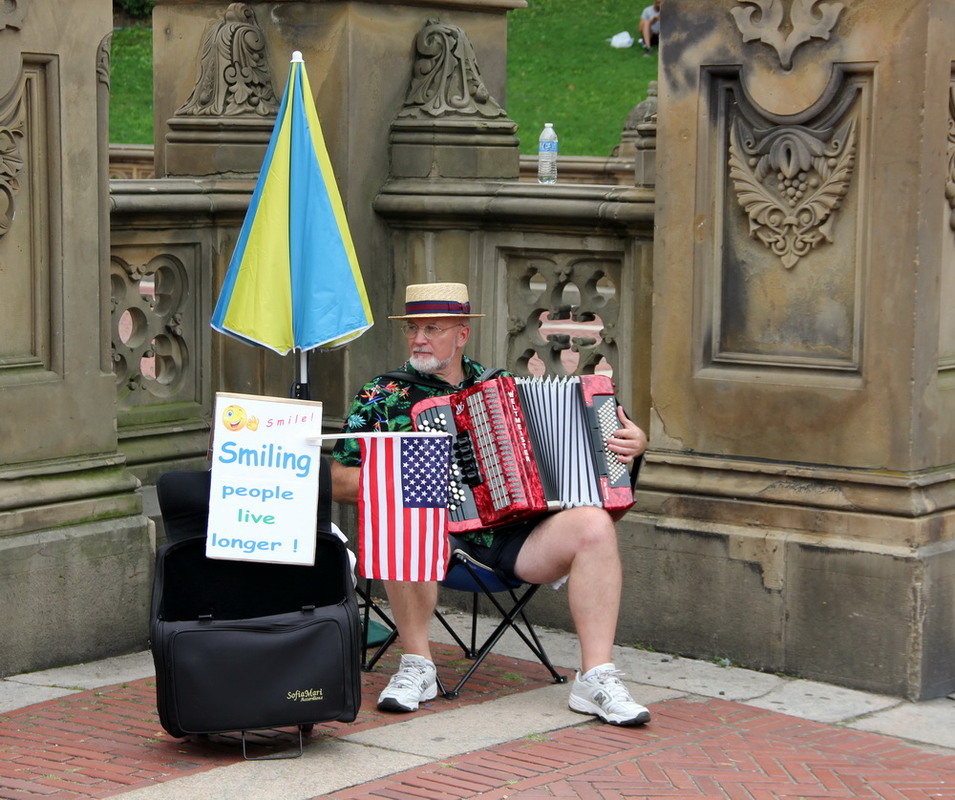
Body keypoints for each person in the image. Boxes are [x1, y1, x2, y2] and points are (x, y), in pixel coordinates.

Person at [330, 282, 651, 726]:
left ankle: (596, 679)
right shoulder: (382, 395)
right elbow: (338, 479)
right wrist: (417, 477)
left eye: (432, 329)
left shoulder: (502, 385)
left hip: (516, 537)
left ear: (462, 334)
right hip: (437, 539)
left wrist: (633, 443)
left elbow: (586, 443)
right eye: (413, 329)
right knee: (407, 517)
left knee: (594, 524)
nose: (419, 339)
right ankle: (418, 666)